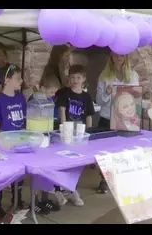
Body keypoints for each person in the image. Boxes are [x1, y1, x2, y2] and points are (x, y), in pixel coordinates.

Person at [95, 52, 152, 194]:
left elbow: (134, 98)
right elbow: (99, 101)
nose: (119, 57)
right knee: (106, 152)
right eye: (116, 55)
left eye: (122, 55)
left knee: (125, 150)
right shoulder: (104, 76)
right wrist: (107, 93)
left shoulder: (133, 75)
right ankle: (105, 179)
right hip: (107, 117)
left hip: (125, 119)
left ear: (126, 56)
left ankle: (124, 179)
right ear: (111, 56)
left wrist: (146, 105)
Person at [0, 64, 27, 223]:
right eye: (18, 78)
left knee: (20, 174)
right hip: (5, 144)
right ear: (7, 80)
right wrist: (1, 144)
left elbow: (25, 123)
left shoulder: (21, 98)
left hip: (20, 143)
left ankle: (17, 199)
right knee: (2, 175)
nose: (21, 81)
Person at [55, 64, 95, 207]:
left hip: (80, 135)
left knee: (77, 164)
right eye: (72, 77)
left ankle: (72, 188)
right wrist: (64, 130)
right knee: (63, 162)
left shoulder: (86, 96)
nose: (75, 80)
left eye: (78, 77)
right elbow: (62, 111)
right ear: (69, 79)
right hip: (67, 133)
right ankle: (59, 189)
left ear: (83, 79)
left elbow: (89, 115)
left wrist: (89, 133)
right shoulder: (65, 93)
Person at [27, 75, 62, 214]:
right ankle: (34, 200)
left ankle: (45, 198)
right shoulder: (33, 101)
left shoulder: (50, 101)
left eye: (54, 92)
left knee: (47, 171)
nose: (53, 95)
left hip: (47, 137)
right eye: (51, 92)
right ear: (42, 88)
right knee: (37, 172)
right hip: (35, 138)